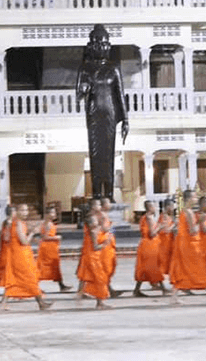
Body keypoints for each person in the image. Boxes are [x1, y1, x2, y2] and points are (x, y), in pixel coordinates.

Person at [75, 24, 129, 199]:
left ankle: (110, 193)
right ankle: (97, 192)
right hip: (94, 115)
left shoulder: (113, 68)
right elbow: (78, 94)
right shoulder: (85, 68)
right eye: (97, 45)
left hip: (110, 115)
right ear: (91, 46)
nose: (101, 48)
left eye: (104, 45)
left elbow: (120, 94)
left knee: (109, 154)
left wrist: (126, 119)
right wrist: (83, 89)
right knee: (96, 153)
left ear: (108, 46)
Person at [169, 190, 206, 304]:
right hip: (191, 247)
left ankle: (173, 297)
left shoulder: (184, 212)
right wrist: (200, 221)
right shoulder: (189, 213)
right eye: (194, 197)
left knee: (183, 270)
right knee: (201, 270)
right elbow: (193, 231)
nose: (196, 199)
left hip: (185, 245)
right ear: (188, 199)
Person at [0, 204, 52, 311]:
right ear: (17, 211)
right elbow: (24, 241)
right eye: (22, 210)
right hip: (20, 255)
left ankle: (3, 303)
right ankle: (41, 303)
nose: (25, 212)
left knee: (16, 279)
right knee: (30, 277)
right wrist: (33, 233)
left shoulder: (16, 223)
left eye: (26, 210)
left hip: (19, 253)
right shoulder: (18, 223)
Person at [76, 199, 112, 309]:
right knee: (100, 279)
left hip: (93, 255)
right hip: (93, 256)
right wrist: (106, 243)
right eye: (95, 221)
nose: (97, 221)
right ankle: (99, 303)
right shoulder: (92, 230)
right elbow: (96, 246)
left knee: (95, 277)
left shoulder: (95, 227)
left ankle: (83, 293)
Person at [134, 200, 164, 297]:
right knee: (153, 267)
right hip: (150, 244)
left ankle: (137, 290)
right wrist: (160, 226)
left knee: (145, 268)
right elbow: (152, 233)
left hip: (146, 244)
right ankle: (163, 288)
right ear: (149, 208)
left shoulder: (144, 217)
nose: (155, 208)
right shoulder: (149, 217)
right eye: (153, 206)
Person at [36, 206, 70, 292]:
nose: (54, 214)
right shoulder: (47, 224)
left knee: (54, 266)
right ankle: (35, 286)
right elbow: (45, 237)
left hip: (51, 248)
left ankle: (61, 285)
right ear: (46, 214)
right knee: (43, 267)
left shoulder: (50, 223)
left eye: (54, 213)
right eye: (51, 212)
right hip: (47, 248)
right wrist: (56, 237)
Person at [99, 197, 121, 297]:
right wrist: (112, 227)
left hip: (109, 243)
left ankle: (109, 288)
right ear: (104, 205)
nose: (110, 205)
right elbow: (104, 229)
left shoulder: (105, 215)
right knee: (106, 267)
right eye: (108, 203)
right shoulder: (102, 216)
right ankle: (105, 290)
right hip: (105, 244)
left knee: (110, 267)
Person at [158, 200, 176, 285]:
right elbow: (166, 230)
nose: (173, 209)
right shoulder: (164, 216)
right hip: (164, 244)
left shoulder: (168, 216)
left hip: (169, 242)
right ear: (167, 207)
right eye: (172, 207)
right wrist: (175, 224)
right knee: (162, 265)